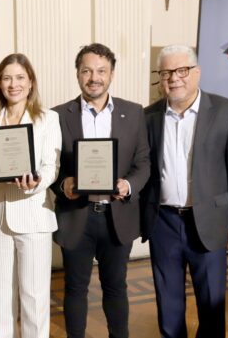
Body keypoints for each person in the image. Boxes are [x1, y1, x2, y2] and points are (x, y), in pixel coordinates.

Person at [140, 44, 228, 338]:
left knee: (211, 301)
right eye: (166, 73)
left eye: (181, 71)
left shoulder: (227, 111)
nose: (174, 78)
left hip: (209, 221)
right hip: (163, 222)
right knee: (169, 303)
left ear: (197, 73)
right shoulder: (148, 116)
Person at [50, 43, 150, 338]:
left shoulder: (133, 113)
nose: (94, 77)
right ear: (78, 74)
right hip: (76, 215)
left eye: (101, 71)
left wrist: (128, 185)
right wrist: (62, 183)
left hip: (117, 216)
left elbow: (143, 162)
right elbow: (50, 166)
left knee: (116, 287)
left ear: (112, 74)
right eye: (87, 71)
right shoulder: (57, 116)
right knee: (75, 288)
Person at [0, 53, 61, 337]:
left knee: (34, 296)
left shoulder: (48, 119)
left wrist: (35, 182)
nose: (13, 84)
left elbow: (52, 166)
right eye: (6, 78)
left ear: (31, 81)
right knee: (0, 295)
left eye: (20, 77)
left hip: (34, 213)